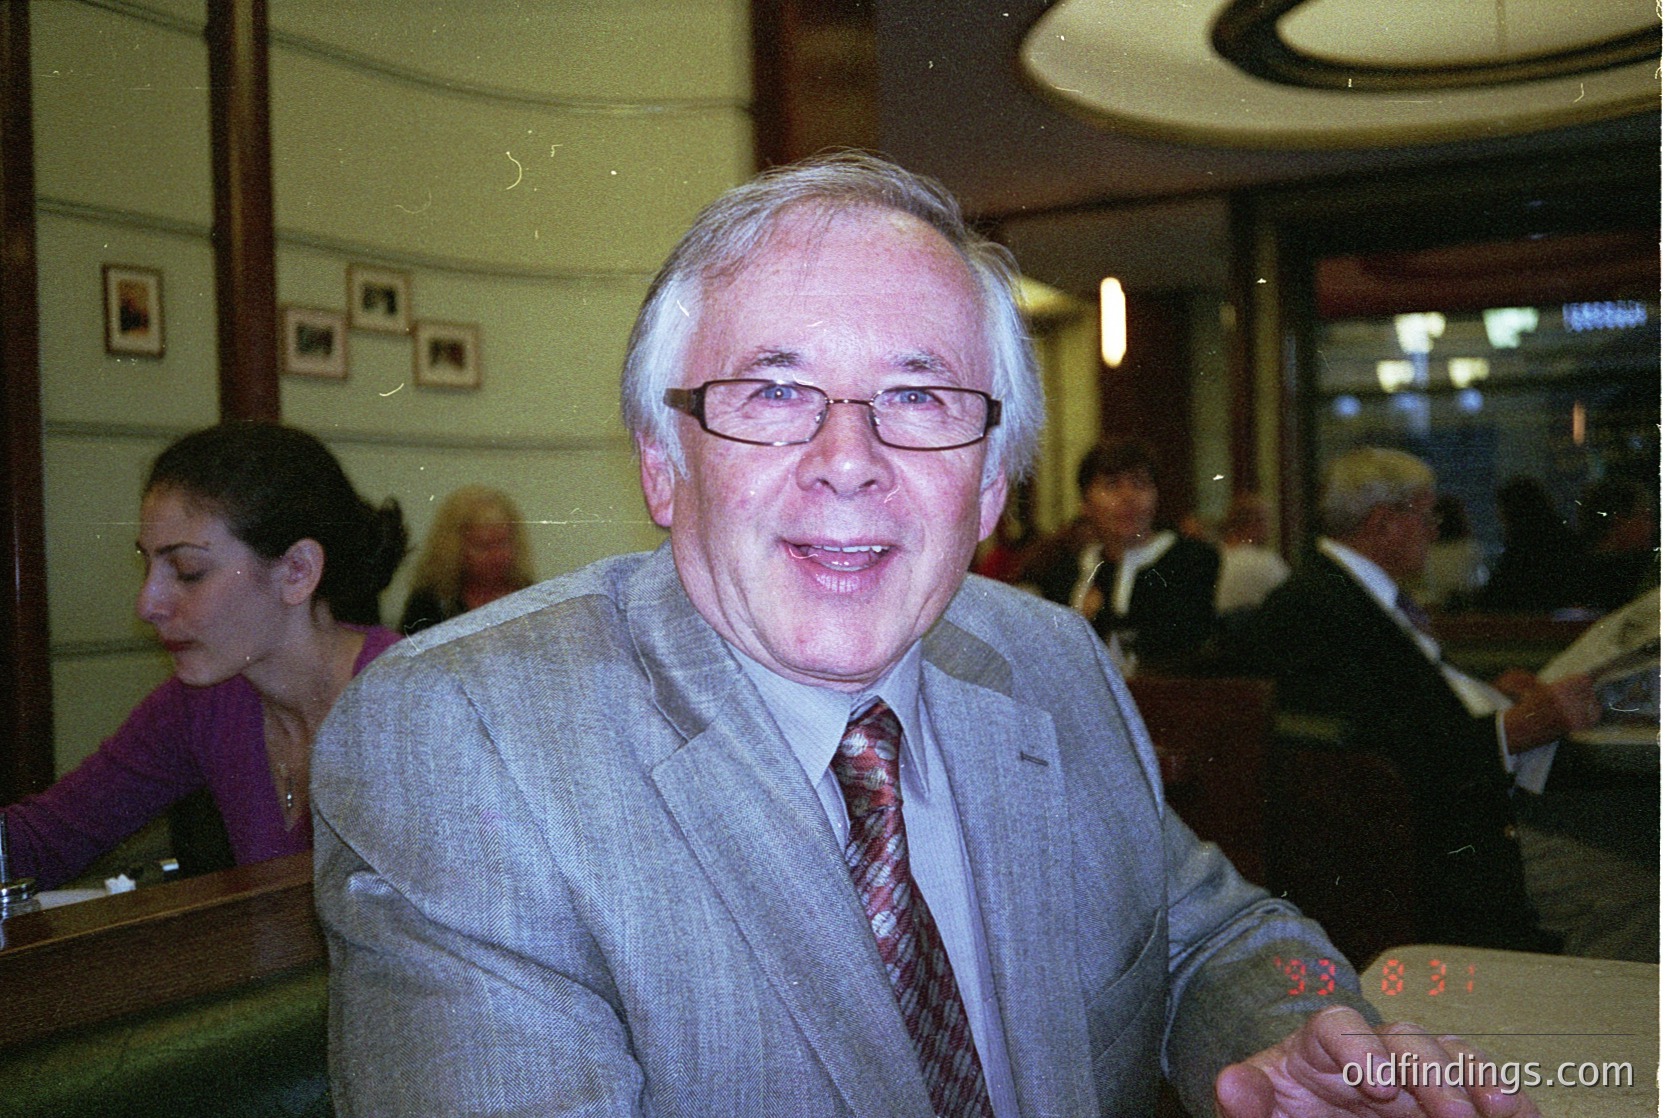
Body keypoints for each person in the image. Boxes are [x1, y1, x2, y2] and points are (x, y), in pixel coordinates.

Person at [314, 155, 1540, 1118]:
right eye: (774, 392)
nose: (849, 461)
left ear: (995, 482)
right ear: (661, 461)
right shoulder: (465, 738)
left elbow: (1206, 930)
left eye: (920, 397)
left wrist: (1287, 1027)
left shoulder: (1050, 662)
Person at [2, 422, 407, 890]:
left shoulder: (407, 708)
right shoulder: (208, 701)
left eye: (188, 570)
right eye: (148, 564)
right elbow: (44, 838)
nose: (147, 604)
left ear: (297, 572)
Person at [1241, 447, 1600, 953]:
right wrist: (1513, 728)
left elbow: (1407, 707)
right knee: (1636, 888)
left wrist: (1492, 692)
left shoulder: (1356, 595)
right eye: (1426, 514)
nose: (1435, 530)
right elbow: (1379, 754)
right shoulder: (1318, 607)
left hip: (1463, 820)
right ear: (1385, 525)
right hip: (1437, 856)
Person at [1023, 439, 1220, 674]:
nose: (1128, 497)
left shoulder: (1190, 560)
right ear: (1085, 503)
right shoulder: (1066, 569)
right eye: (1111, 485)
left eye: (1140, 485)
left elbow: (1182, 646)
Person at [399, 485, 535, 634]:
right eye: (483, 546)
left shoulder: (531, 597)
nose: (497, 556)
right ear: (453, 549)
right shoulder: (428, 604)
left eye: (503, 543)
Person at [1214, 491, 1290, 615]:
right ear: (1255, 524)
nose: (1270, 528)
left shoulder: (1213, 558)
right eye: (1268, 521)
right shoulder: (1265, 563)